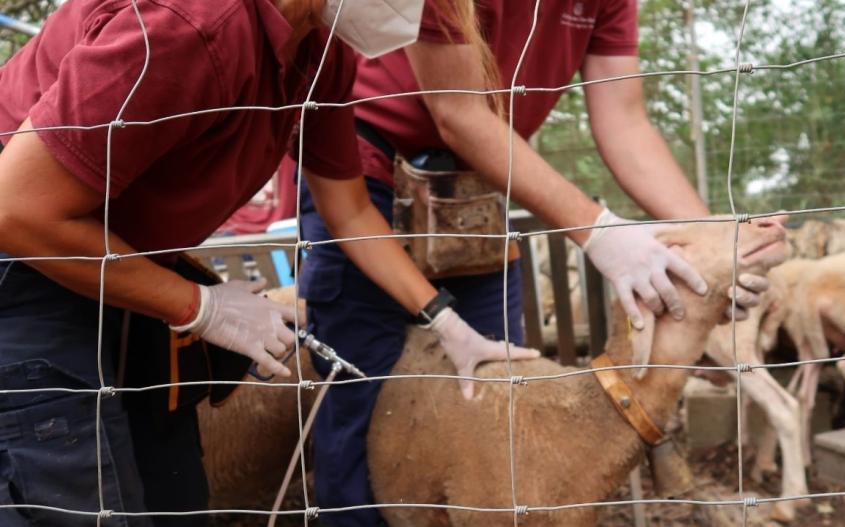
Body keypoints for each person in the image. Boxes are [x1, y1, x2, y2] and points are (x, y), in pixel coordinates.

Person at [0, 0, 530, 525]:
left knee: (173, 500)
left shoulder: (319, 50)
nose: (421, 13)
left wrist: (444, 319)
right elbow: (15, 211)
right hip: (27, 264)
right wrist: (200, 306)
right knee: (76, 498)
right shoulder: (192, 23)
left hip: (118, 268)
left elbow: (348, 212)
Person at [298, 1, 768, 525]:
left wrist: (712, 250)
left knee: (498, 394)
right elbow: (457, 112)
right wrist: (601, 233)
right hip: (364, 174)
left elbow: (626, 121)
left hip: (480, 182)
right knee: (363, 386)